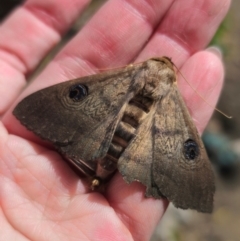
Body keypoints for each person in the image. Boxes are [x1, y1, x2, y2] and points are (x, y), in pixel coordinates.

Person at [0, 0, 230, 240]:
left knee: (79, 94)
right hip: (132, 151)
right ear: (173, 82)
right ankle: (106, 176)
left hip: (101, 136)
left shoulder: (130, 73)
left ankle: (101, 173)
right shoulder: (172, 94)